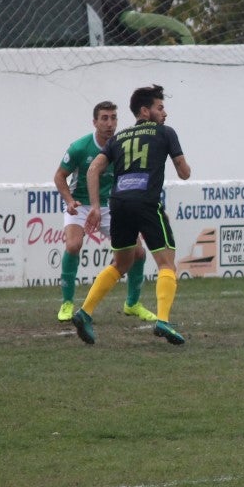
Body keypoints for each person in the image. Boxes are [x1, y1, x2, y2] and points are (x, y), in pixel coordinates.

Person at [71, 84, 192, 345]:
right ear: (145, 111)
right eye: (160, 108)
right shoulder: (165, 132)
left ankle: (85, 311)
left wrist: (94, 205)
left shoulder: (119, 138)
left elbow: (93, 170)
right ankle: (163, 320)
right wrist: (182, 164)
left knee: (121, 264)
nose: (165, 113)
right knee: (167, 264)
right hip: (146, 203)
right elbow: (184, 172)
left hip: (119, 204)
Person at [53, 100, 155, 323]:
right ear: (95, 122)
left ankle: (133, 304)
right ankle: (67, 303)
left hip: (109, 206)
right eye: (105, 118)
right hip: (80, 205)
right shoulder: (80, 147)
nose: (110, 123)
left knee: (138, 252)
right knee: (73, 245)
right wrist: (69, 201)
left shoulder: (122, 145)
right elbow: (59, 176)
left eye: (114, 118)